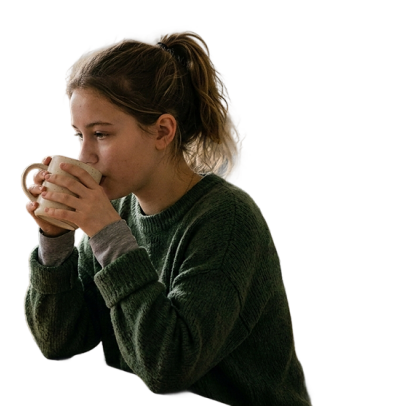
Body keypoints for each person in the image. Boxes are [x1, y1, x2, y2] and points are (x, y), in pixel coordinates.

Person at [22, 30, 313, 405]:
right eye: (79, 135)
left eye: (101, 134)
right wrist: (55, 240)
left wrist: (107, 233)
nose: (83, 156)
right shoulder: (119, 211)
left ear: (162, 131)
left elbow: (167, 366)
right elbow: (60, 341)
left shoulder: (228, 219)